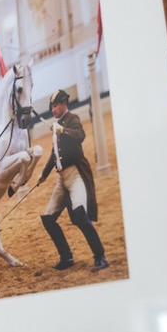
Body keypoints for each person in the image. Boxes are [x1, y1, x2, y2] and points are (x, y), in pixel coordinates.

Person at [36, 88, 108, 272]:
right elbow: (54, 154)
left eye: (55, 106)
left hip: (75, 174)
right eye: (52, 107)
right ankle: (66, 257)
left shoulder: (72, 119)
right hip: (61, 179)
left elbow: (80, 136)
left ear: (63, 104)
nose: (53, 110)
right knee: (48, 218)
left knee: (79, 216)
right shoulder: (57, 124)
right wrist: (43, 175)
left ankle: (100, 256)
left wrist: (63, 130)